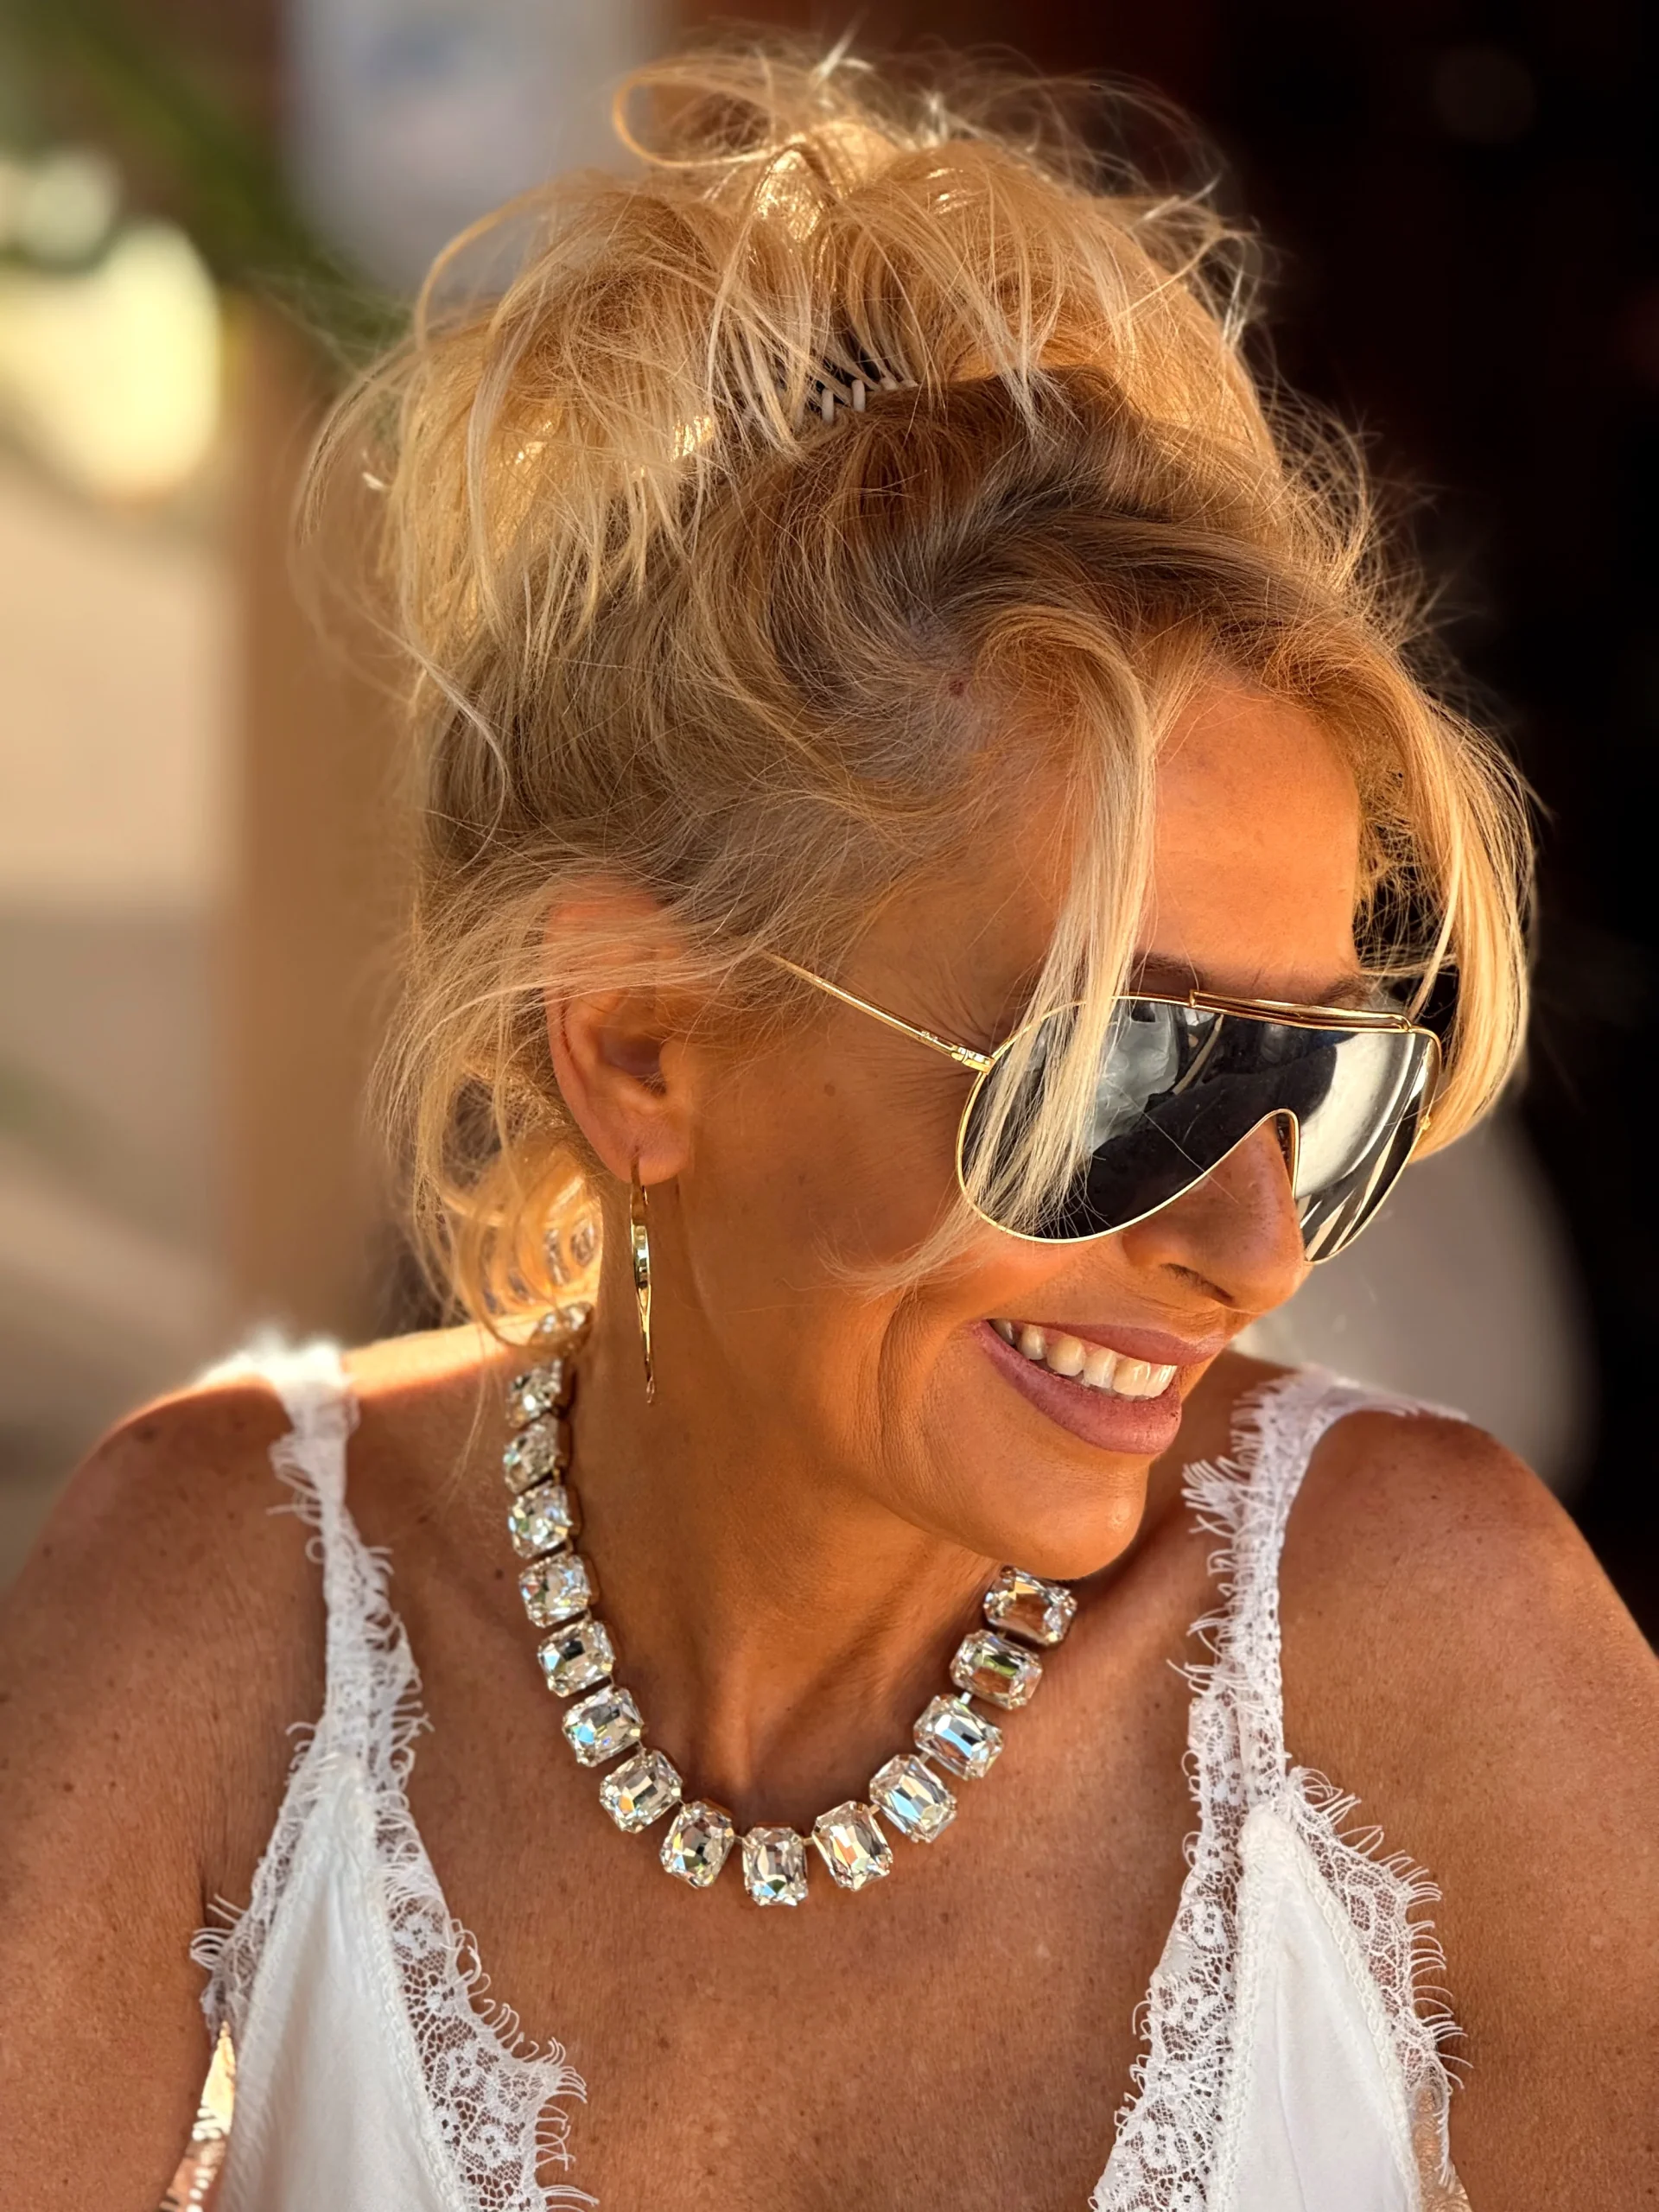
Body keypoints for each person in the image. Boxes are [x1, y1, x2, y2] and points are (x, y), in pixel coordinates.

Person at [2, 43, 1653, 2212]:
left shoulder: (1423, 1642)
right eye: (1120, 1076)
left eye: (1316, 1083)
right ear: (637, 1044)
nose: (1254, 1249)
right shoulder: (234, 1599)